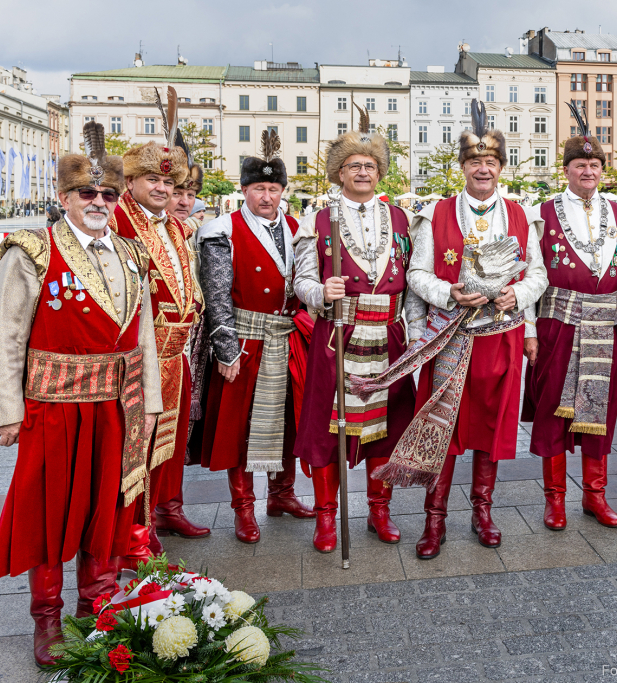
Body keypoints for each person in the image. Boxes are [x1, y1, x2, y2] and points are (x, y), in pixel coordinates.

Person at [0, 123, 162, 665]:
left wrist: (151, 402)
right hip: (54, 408)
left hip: (118, 405)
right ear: (64, 198)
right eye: (87, 192)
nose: (99, 202)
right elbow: (5, 334)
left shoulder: (133, 253)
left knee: (106, 506)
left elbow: (145, 335)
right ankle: (46, 617)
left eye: (108, 193)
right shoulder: (32, 251)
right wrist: (7, 411)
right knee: (50, 511)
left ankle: (97, 603)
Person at [352, 100, 547, 559]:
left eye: (492, 162)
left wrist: (514, 297)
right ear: (462, 167)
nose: (484, 168)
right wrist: (450, 294)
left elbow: (537, 275)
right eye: (476, 161)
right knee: (443, 430)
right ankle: (434, 519)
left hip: (501, 339)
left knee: (490, 430)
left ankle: (483, 511)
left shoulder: (521, 216)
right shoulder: (434, 214)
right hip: (449, 339)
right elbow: (417, 276)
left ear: (501, 168)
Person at [522, 105, 617, 530]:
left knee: (600, 413)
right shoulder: (540, 215)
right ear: (566, 170)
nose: (588, 171)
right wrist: (528, 330)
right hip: (557, 324)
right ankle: (555, 500)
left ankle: (595, 496)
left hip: (606, 326)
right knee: (553, 414)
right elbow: (526, 275)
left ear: (602, 170)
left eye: (595, 165)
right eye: (580, 164)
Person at [293, 108, 420, 552]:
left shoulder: (403, 220)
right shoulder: (318, 220)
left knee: (386, 427)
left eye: (369, 165)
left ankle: (379, 511)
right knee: (330, 431)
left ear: (379, 172)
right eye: (353, 166)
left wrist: (419, 335)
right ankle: (326, 518)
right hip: (338, 336)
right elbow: (301, 281)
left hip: (390, 333)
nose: (362, 172)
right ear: (339, 173)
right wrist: (320, 290)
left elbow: (413, 282)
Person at [196, 130, 315, 543]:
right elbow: (216, 295)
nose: (267, 196)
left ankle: (281, 495)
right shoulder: (222, 229)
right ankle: (243, 508)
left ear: (283, 190)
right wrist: (226, 350)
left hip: (288, 338)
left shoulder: (300, 227)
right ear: (243, 190)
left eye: (274, 188)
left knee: (289, 420)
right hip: (245, 341)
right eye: (258, 188)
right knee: (241, 427)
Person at [111, 97, 209, 571]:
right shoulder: (117, 223)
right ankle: (134, 533)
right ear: (130, 181)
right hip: (140, 360)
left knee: (170, 442)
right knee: (138, 449)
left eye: (169, 182)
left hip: (178, 353)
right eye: (154, 180)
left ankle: (167, 512)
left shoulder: (175, 225)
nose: (163, 189)